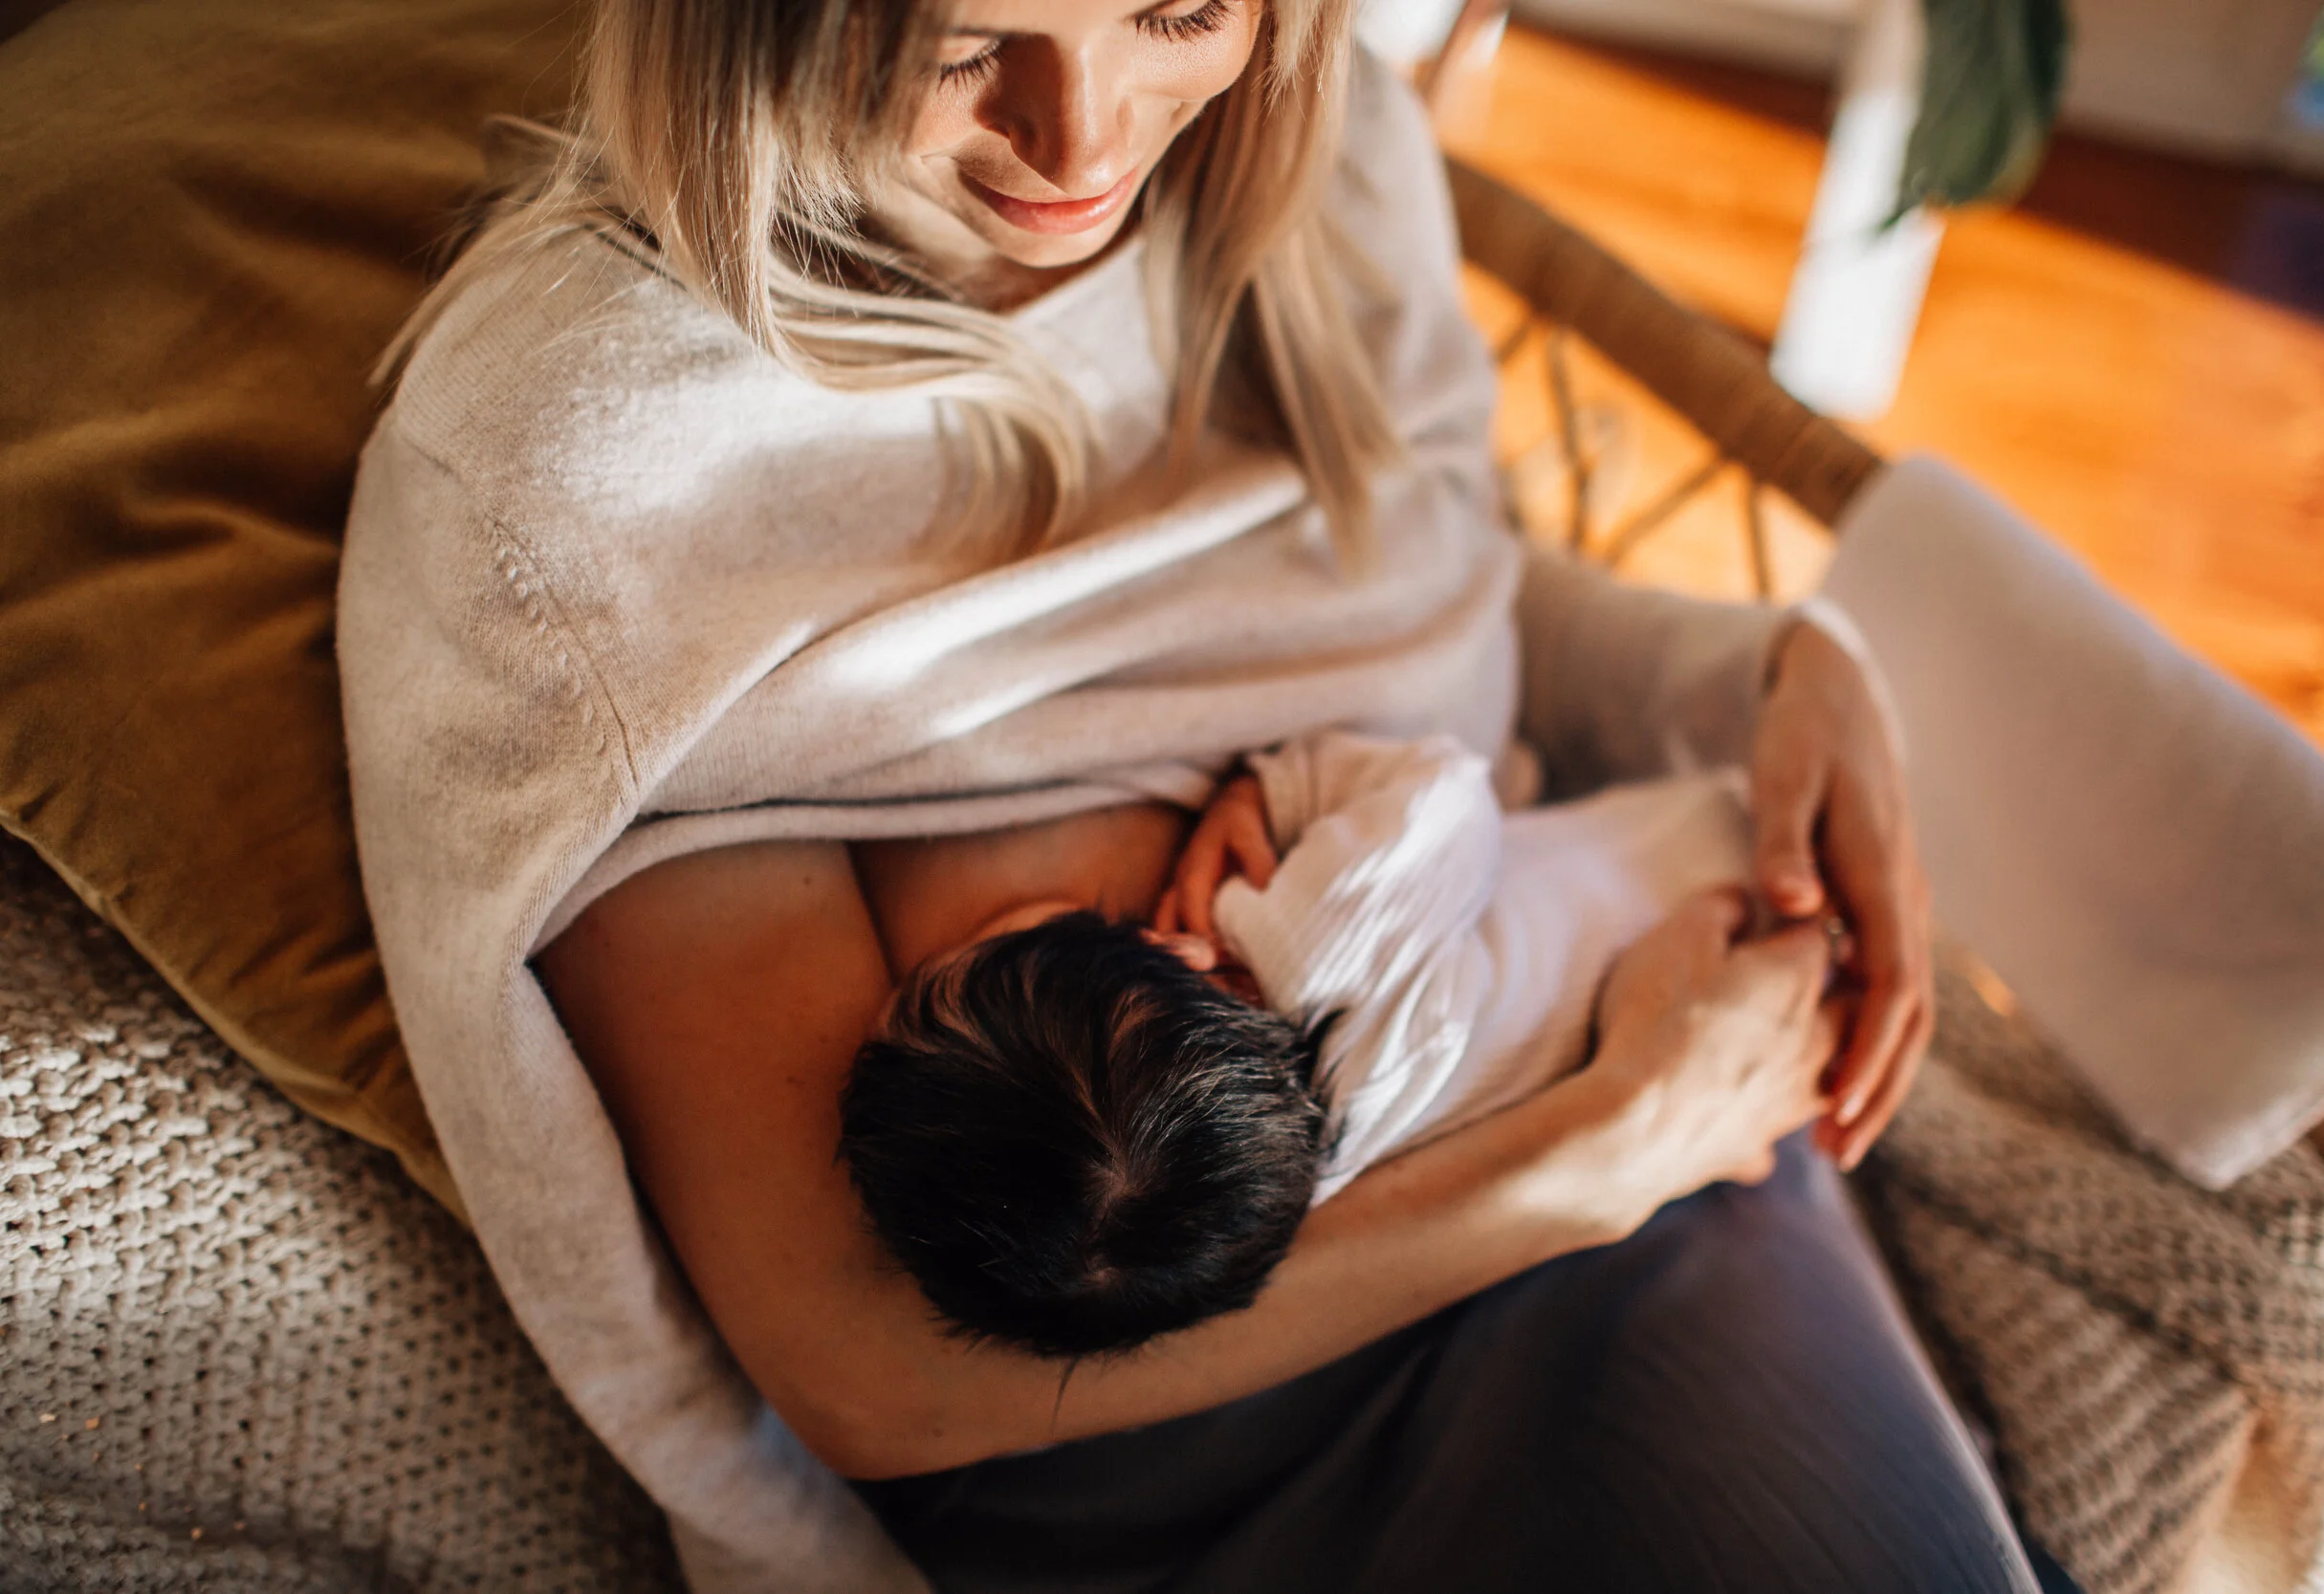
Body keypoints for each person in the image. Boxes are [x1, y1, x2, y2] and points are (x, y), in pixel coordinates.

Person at [338, 0, 2046, 1586]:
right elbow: (874, 1367)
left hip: (1615, 1081)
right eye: (965, 41)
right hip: (1169, 1427)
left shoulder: (1323, 157)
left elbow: (1426, 574)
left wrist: (1762, 671)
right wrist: (1587, 1155)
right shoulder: (586, 494)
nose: (1082, 144)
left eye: (1178, 7)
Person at [840, 736, 1765, 1361]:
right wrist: (1274, 788)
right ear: (1181, 950)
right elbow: (1447, 786)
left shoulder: (1307, 1190)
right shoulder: (1315, 938)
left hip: (1745, 1027)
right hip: (1724, 840)